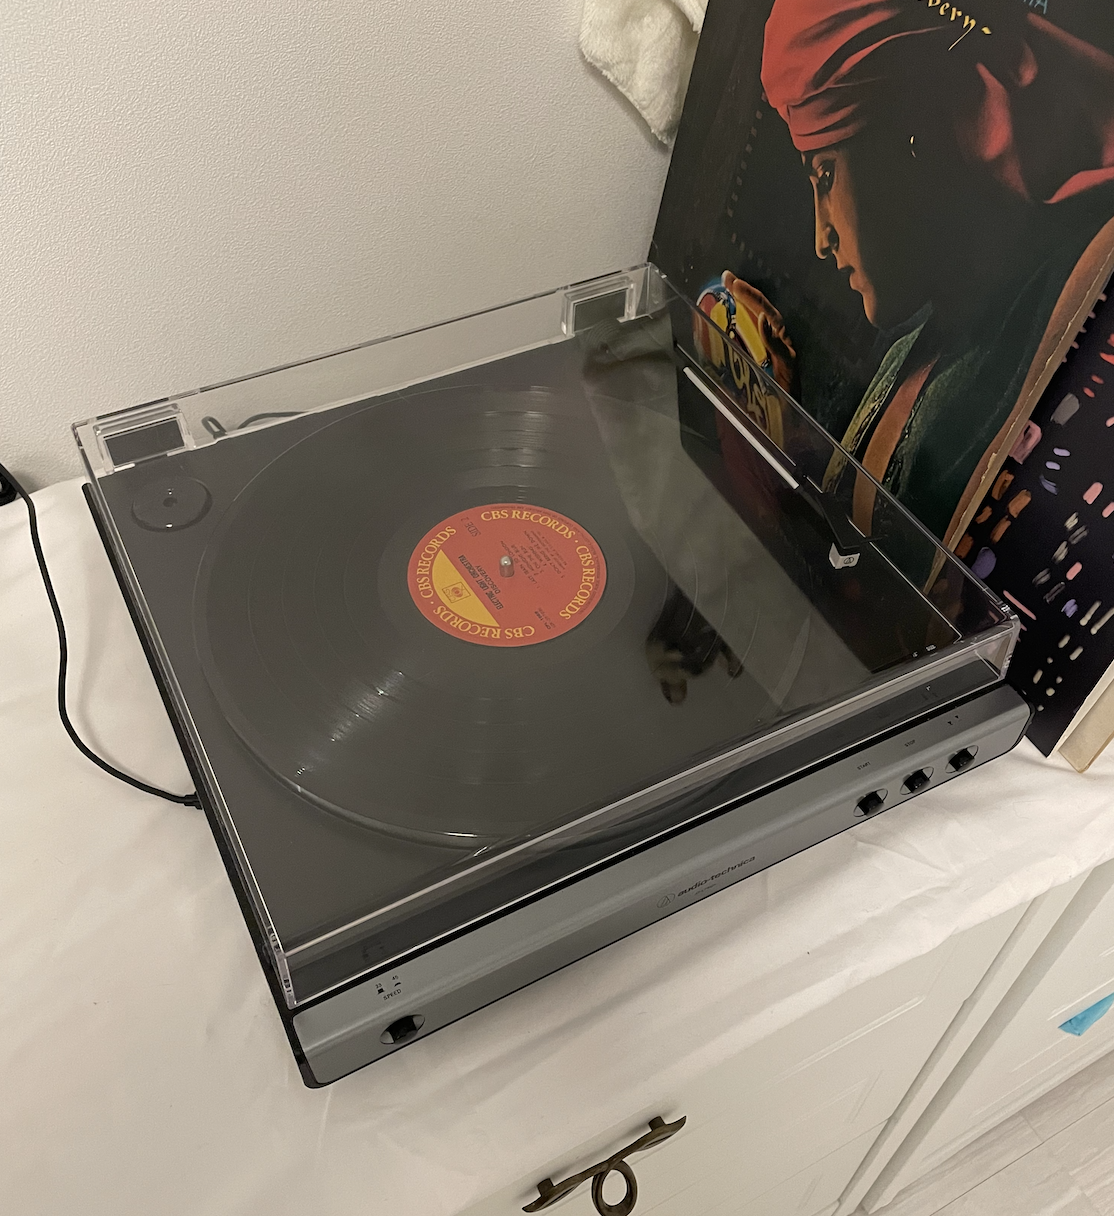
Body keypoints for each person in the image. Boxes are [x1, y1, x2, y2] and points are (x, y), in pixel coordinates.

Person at [718, 0, 1114, 546]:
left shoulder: (1063, 313)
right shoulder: (913, 343)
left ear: (912, 145)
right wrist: (778, 407)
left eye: (826, 176)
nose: (821, 238)